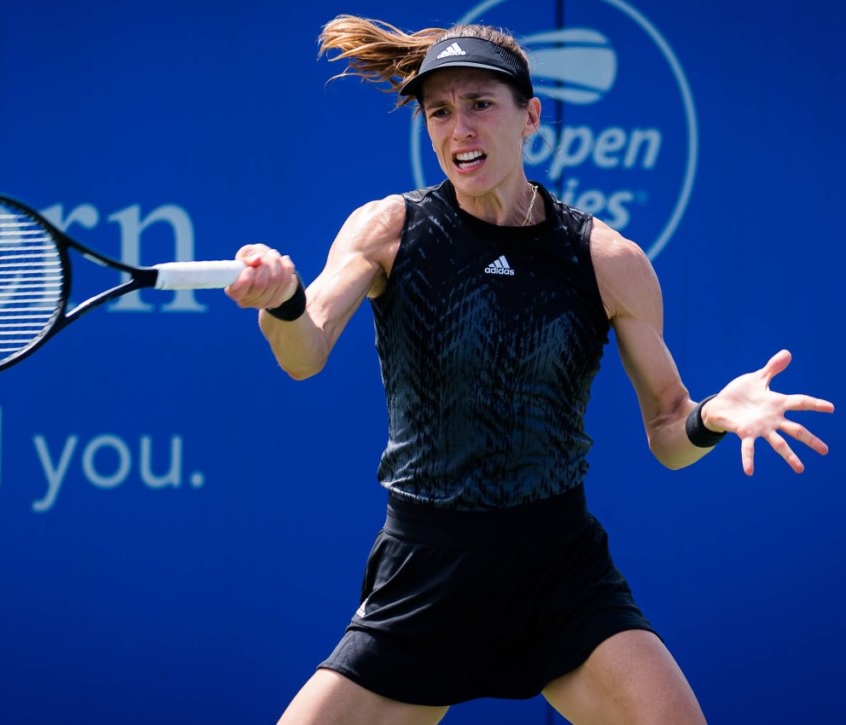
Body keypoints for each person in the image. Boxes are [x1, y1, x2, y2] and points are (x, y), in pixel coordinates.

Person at [225, 15, 835, 725]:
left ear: (531, 115)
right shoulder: (388, 230)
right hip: (427, 567)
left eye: (481, 105)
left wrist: (711, 416)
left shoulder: (607, 261)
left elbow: (669, 432)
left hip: (558, 570)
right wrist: (284, 302)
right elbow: (306, 351)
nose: (460, 131)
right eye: (441, 112)